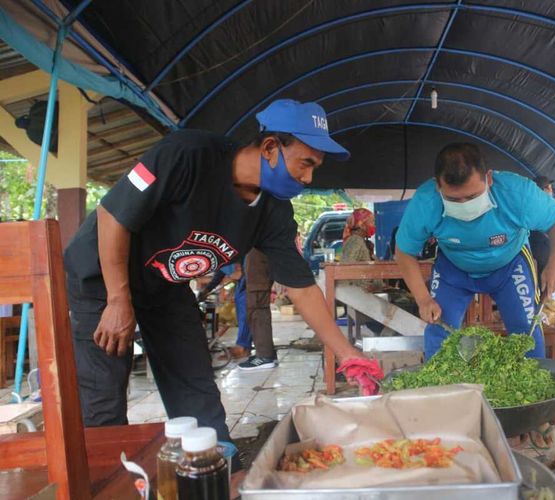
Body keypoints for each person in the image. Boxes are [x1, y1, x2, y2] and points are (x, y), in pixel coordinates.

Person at [63, 99, 373, 447]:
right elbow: (112, 216)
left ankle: (220, 473)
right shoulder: (188, 154)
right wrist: (119, 300)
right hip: (103, 278)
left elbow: (300, 286)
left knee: (196, 390)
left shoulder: (273, 212)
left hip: (165, 287)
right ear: (271, 147)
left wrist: (347, 353)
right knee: (102, 403)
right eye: (306, 163)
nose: (309, 177)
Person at [395, 143, 555, 360]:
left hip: (510, 265)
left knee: (527, 330)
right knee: (438, 330)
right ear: (437, 186)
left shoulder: (517, 192)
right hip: (453, 269)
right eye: (453, 199)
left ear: (488, 178)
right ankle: (439, 393)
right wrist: (423, 299)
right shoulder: (425, 201)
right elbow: (404, 252)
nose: (464, 205)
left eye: (471, 197)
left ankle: (538, 392)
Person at [198, 260, 251, 358]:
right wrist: (207, 290)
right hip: (241, 280)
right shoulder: (219, 259)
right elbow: (221, 271)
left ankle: (243, 347)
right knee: (242, 313)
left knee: (245, 313)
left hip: (249, 276)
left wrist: (242, 270)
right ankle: (243, 345)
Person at [238, 249, 278, 370]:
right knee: (257, 313)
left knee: (258, 313)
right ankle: (267, 353)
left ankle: (264, 357)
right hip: (257, 268)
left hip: (258, 271)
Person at [528, 175, 555, 283]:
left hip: (535, 247)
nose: (552, 192)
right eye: (550, 188)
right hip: (539, 247)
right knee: (542, 282)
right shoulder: (545, 207)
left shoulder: (529, 204)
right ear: (544, 190)